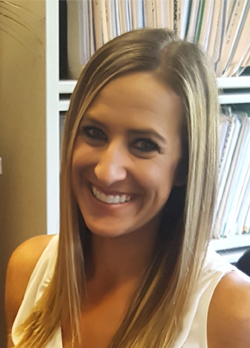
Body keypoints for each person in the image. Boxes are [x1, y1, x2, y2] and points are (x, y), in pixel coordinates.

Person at [5, 28, 250, 348]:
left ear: (185, 166)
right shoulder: (28, 269)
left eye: (144, 144)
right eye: (93, 132)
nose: (106, 171)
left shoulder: (233, 315)